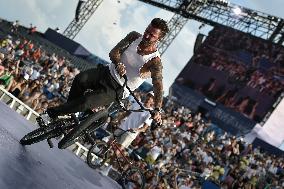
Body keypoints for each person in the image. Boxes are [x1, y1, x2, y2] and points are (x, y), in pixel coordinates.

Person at [43, 18, 169, 126]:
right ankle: (69, 113)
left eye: (152, 35)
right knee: (79, 79)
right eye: (147, 30)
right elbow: (114, 52)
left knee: (86, 101)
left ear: (159, 39)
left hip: (119, 88)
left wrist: (157, 109)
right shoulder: (134, 36)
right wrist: (118, 63)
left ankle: (51, 114)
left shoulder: (155, 61)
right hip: (107, 72)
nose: (146, 35)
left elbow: (158, 86)